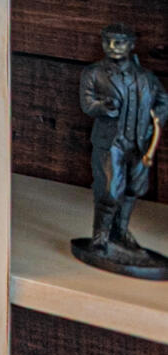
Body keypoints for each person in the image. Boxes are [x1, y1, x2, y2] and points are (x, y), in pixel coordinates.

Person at [74, 22, 168, 279]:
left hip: (139, 142)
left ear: (131, 45)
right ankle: (100, 237)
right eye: (108, 41)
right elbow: (87, 102)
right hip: (110, 142)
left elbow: (162, 100)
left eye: (120, 42)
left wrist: (155, 118)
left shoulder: (145, 78)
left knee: (133, 189)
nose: (113, 47)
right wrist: (104, 107)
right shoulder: (94, 73)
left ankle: (121, 231)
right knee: (110, 189)